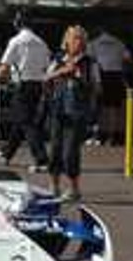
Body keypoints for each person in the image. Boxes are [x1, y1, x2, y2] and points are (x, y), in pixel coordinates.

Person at [43, 25, 102, 204]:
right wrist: (61, 72)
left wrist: (79, 78)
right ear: (66, 41)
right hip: (59, 109)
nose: (76, 42)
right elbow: (45, 78)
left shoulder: (89, 62)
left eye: (79, 38)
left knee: (70, 152)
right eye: (73, 38)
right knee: (54, 150)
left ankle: (75, 189)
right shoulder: (59, 59)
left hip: (77, 112)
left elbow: (98, 87)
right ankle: (54, 186)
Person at [0, 16, 51, 172]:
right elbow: (47, 67)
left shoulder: (16, 41)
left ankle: (42, 158)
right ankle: (7, 154)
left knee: (26, 122)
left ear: (18, 24)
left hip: (22, 85)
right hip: (37, 85)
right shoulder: (41, 43)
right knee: (21, 121)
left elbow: (5, 65)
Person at [89, 27, 130, 144]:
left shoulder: (94, 43)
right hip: (116, 75)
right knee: (116, 108)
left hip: (102, 76)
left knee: (102, 108)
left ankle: (102, 134)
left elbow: (93, 63)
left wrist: (96, 81)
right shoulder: (119, 43)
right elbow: (127, 59)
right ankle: (115, 134)